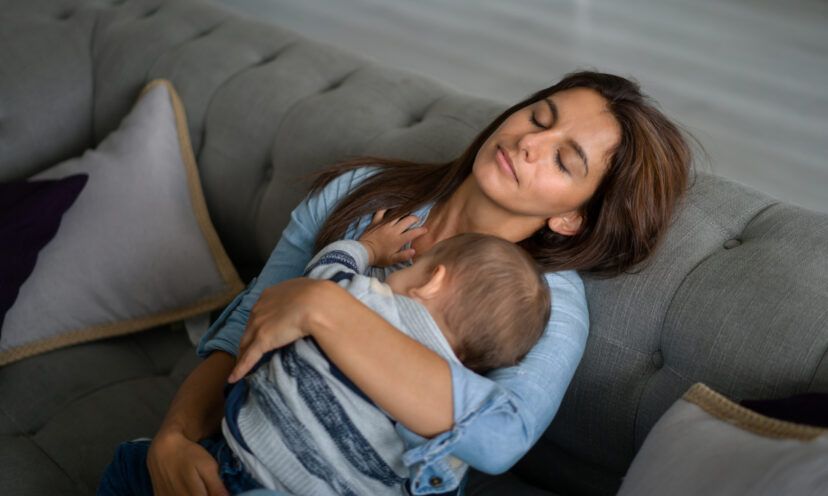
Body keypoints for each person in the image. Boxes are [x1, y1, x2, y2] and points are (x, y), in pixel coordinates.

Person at [146, 70, 693, 496]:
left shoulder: (546, 301)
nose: (529, 141)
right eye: (539, 117)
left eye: (562, 160)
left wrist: (325, 308)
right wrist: (173, 438)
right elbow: (247, 324)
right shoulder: (360, 195)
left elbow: (501, 439)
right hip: (247, 444)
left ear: (572, 217)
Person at [99, 219, 550, 496]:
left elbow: (323, 272)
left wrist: (369, 249)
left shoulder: (361, 296)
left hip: (235, 464)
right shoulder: (450, 413)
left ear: (432, 280)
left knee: (127, 466)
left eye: (408, 268)